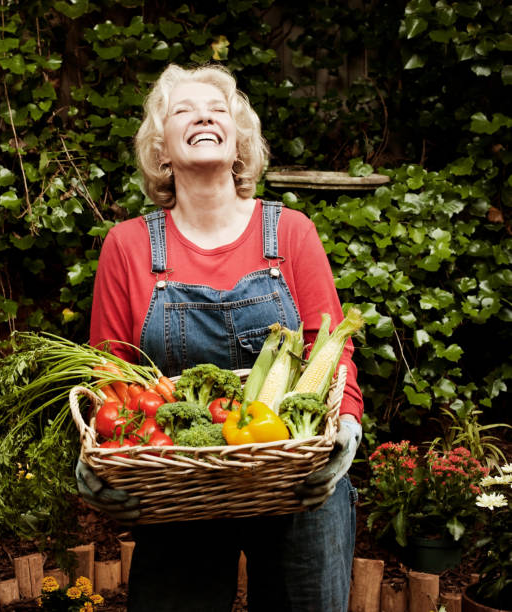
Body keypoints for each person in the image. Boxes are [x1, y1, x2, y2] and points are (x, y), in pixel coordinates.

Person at [76, 63, 363, 612]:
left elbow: (332, 348)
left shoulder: (292, 232)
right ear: (161, 150)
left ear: (239, 145)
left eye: (217, 110)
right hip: (180, 483)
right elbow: (107, 372)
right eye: (183, 109)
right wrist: (98, 454)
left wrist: (344, 427)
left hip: (297, 481)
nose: (203, 114)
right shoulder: (128, 246)